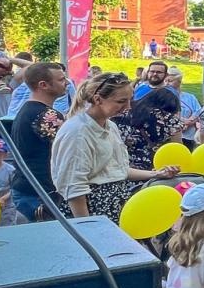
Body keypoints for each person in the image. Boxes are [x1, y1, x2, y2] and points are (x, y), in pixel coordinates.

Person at [50, 72, 178, 221]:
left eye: (130, 100)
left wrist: (156, 174)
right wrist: (85, 226)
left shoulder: (110, 125)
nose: (128, 107)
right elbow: (73, 186)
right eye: (121, 101)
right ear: (98, 100)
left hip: (114, 206)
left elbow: (117, 170)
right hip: (93, 211)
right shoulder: (78, 132)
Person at [9, 62, 68, 221]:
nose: (67, 82)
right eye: (61, 79)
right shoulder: (47, 115)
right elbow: (69, 150)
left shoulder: (27, 110)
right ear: (43, 85)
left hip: (27, 188)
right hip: (40, 192)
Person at [121, 86, 183, 170]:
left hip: (125, 167)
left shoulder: (127, 112)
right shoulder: (170, 120)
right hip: (154, 169)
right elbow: (177, 148)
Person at [167, 68, 202, 144]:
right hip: (171, 136)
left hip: (189, 136)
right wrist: (183, 121)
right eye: (165, 81)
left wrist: (189, 122)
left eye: (170, 81)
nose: (167, 84)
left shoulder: (190, 97)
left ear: (179, 82)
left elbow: (198, 111)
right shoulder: (162, 98)